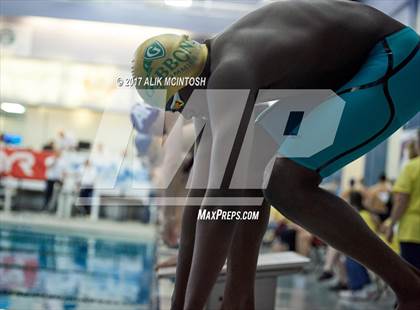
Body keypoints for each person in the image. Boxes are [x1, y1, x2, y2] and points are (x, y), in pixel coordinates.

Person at [132, 1, 420, 309]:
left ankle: (410, 288)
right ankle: (240, 299)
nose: (183, 114)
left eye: (176, 106)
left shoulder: (229, 74)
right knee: (253, 159)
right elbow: (199, 197)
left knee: (285, 183)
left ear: (186, 86)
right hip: (350, 74)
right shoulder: (213, 72)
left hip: (395, 60)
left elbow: (220, 200)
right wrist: (181, 292)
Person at [384, 132, 420, 270]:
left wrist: (391, 225)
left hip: (412, 231)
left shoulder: (411, 167)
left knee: (413, 276)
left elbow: (401, 200)